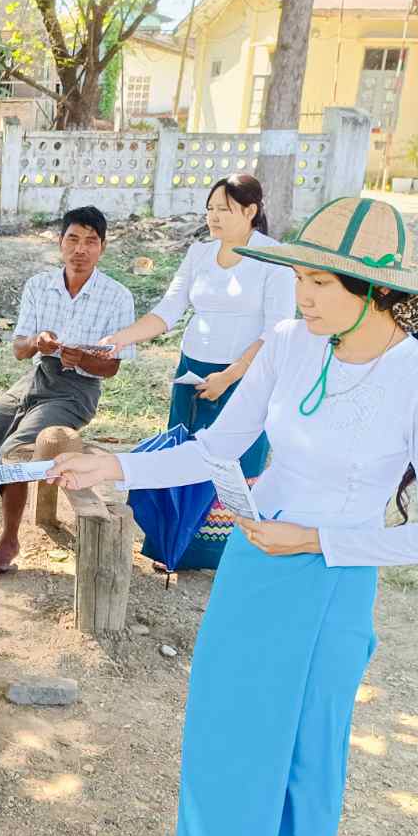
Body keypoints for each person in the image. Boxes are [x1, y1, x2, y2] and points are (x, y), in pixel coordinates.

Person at [49, 197, 418, 836]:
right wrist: (114, 465)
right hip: (253, 562)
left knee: (305, 750)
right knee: (223, 728)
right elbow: (217, 451)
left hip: (330, 579)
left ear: (377, 291)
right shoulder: (288, 343)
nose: (301, 295)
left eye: (319, 283)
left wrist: (314, 539)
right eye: (300, 277)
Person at [0, 206, 135, 582]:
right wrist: (37, 342)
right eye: (72, 239)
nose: (80, 249)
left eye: (90, 241)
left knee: (13, 453)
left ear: (103, 247)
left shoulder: (117, 296)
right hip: (35, 378)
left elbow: (111, 368)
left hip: (76, 392)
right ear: (60, 242)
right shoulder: (39, 285)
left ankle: (9, 541)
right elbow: (19, 349)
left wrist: (83, 359)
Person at [99, 174, 295, 570]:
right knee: (184, 453)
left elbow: (277, 331)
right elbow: (167, 311)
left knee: (233, 463)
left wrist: (231, 375)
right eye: (210, 209)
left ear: (250, 210)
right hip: (193, 374)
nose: (214, 217)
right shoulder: (199, 253)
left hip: (246, 377)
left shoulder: (274, 259)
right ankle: (176, 546)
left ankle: (227, 554)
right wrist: (118, 339)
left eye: (224, 209)